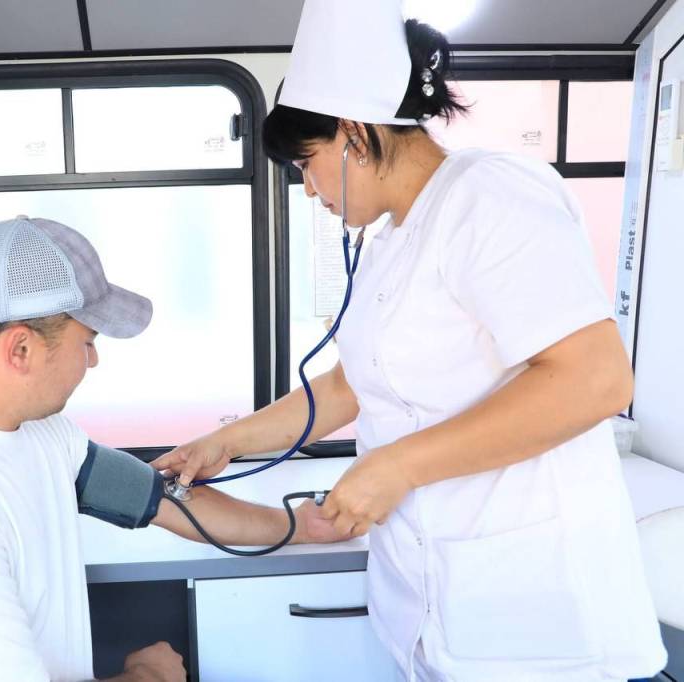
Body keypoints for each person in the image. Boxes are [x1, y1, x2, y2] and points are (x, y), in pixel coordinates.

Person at [151, 1, 667, 680]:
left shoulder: (490, 196)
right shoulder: (391, 239)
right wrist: (228, 441)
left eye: (306, 164)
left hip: (531, 609)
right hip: (433, 604)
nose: (308, 190)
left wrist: (396, 467)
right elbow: (350, 385)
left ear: (354, 134)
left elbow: (594, 379)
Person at [0, 215, 340, 682]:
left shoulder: (41, 434)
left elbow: (162, 499)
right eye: (87, 341)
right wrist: (150, 677)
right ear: (20, 348)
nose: (92, 361)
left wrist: (301, 526)